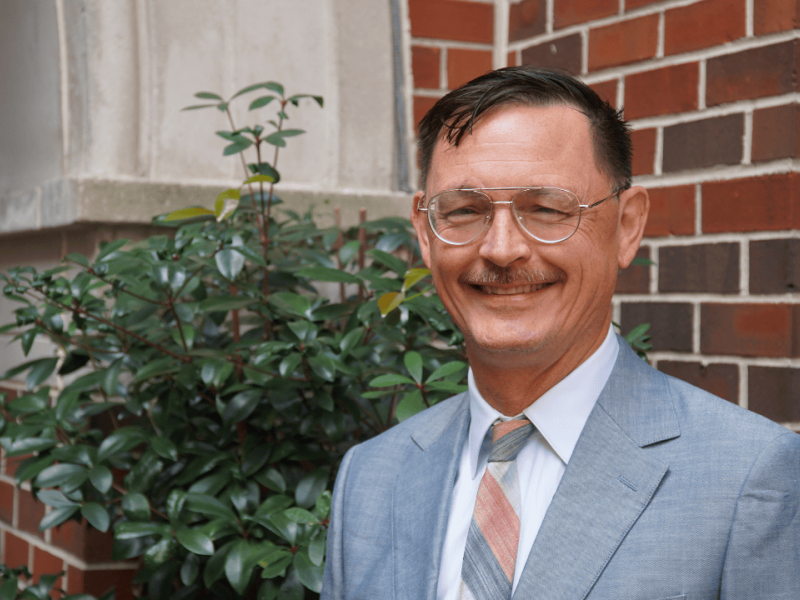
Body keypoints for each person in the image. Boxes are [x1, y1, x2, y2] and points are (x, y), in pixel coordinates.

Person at [320, 67, 800, 600]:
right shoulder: (370, 477)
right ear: (424, 234)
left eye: (546, 209)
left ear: (627, 226)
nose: (501, 249)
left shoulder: (750, 479)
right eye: (463, 211)